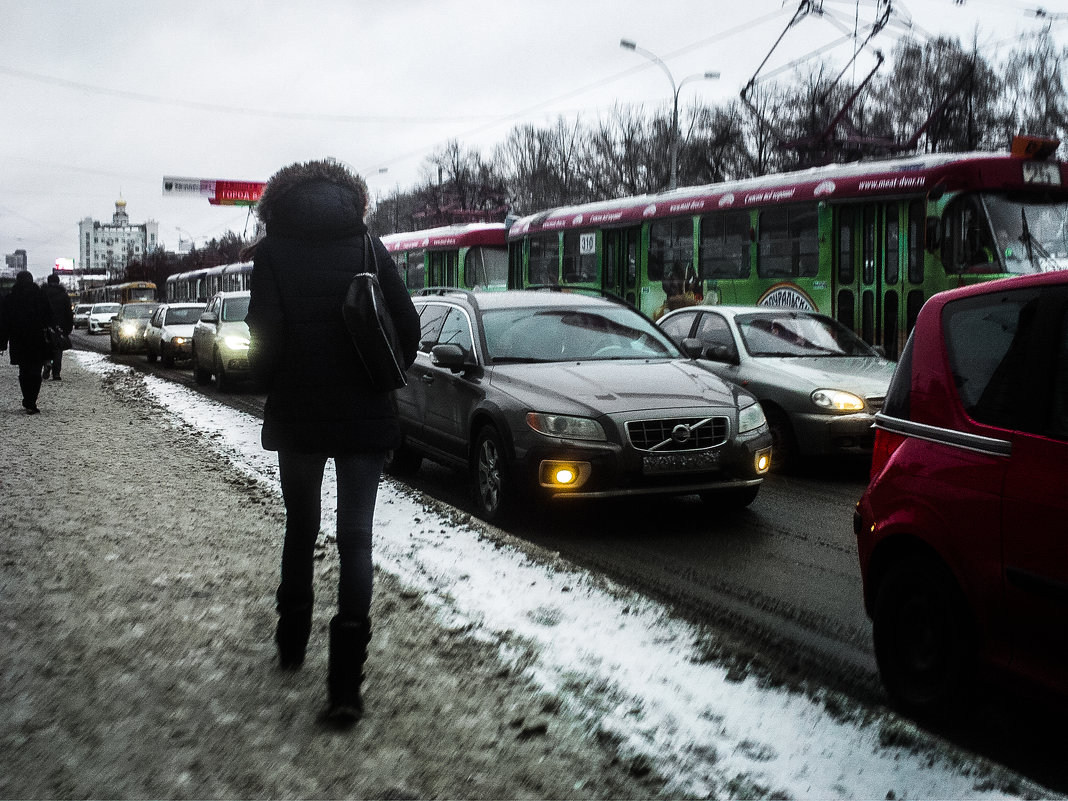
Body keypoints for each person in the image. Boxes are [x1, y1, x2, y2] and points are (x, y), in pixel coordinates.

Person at [246, 159, 420, 725]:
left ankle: (292, 640)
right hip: (365, 413)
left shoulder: (272, 253)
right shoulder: (367, 245)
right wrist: (374, 374)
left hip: (298, 413)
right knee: (357, 540)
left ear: (280, 203)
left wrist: (273, 381)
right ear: (352, 198)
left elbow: (263, 335)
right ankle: (345, 688)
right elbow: (407, 325)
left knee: (300, 525)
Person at [0, 271, 55, 414]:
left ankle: (27, 399)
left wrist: (2, 342)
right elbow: (50, 317)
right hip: (38, 339)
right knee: (36, 370)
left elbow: (4, 323)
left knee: (24, 371)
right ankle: (32, 401)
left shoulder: (11, 298)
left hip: (19, 340)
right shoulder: (40, 296)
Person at [41, 273, 74, 380]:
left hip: (44, 326)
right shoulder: (63, 295)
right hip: (59, 327)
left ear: (48, 281)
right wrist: (67, 328)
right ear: (58, 282)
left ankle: (47, 362)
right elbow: (68, 313)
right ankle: (56, 373)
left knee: (45, 347)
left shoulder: (42, 293)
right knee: (58, 349)